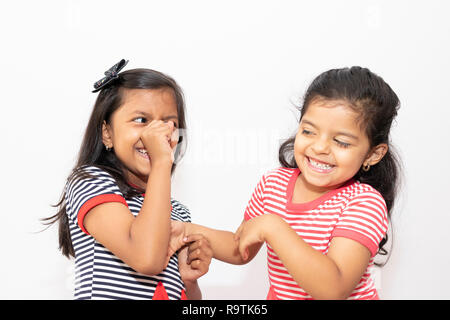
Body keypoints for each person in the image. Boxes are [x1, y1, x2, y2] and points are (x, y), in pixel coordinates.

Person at [169, 66, 401, 300]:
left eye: (341, 142)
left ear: (373, 154)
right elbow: (240, 247)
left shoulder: (364, 202)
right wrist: (187, 230)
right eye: (309, 131)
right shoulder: (274, 184)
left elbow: (334, 288)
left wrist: (273, 227)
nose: (319, 147)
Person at [43, 59, 212, 300]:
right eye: (142, 120)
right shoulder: (91, 182)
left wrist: (189, 283)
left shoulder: (178, 213)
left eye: (169, 123)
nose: (158, 134)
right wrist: (162, 162)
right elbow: (146, 258)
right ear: (107, 133)